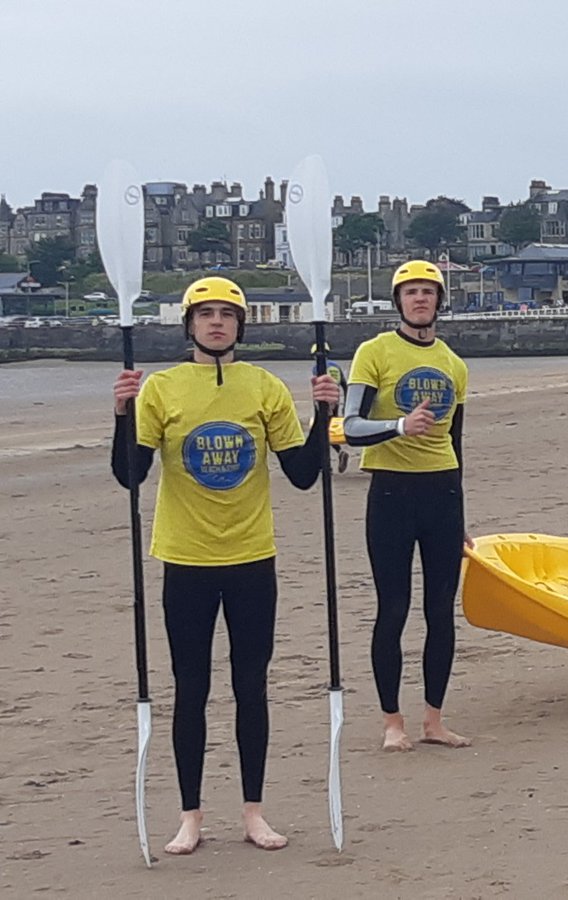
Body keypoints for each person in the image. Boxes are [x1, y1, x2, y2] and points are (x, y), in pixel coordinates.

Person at [110, 275, 341, 855]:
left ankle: (254, 813)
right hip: (185, 561)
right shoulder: (161, 389)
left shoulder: (262, 387)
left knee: (251, 687)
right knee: (191, 689)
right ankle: (191, 815)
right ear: (189, 324)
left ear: (241, 325)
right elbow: (130, 474)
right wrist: (121, 413)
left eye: (227, 314)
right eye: (206, 313)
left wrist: (320, 414)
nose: (217, 322)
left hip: (251, 561)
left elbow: (305, 474)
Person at [342, 259, 473, 752]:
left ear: (440, 301)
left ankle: (434, 721)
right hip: (392, 493)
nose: (420, 299)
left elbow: (457, 442)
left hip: (442, 493)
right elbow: (350, 426)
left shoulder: (454, 364)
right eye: (411, 292)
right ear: (397, 301)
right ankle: (392, 723)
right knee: (392, 609)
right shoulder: (374, 352)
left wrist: (461, 514)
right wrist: (398, 426)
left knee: (440, 611)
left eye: (428, 291)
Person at [310, 341, 352, 474]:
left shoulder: (317, 367)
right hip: (336, 401)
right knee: (329, 430)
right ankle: (330, 459)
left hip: (323, 403)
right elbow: (345, 385)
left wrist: (317, 404)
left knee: (322, 433)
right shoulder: (336, 367)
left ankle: (329, 462)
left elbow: (317, 385)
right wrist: (346, 404)